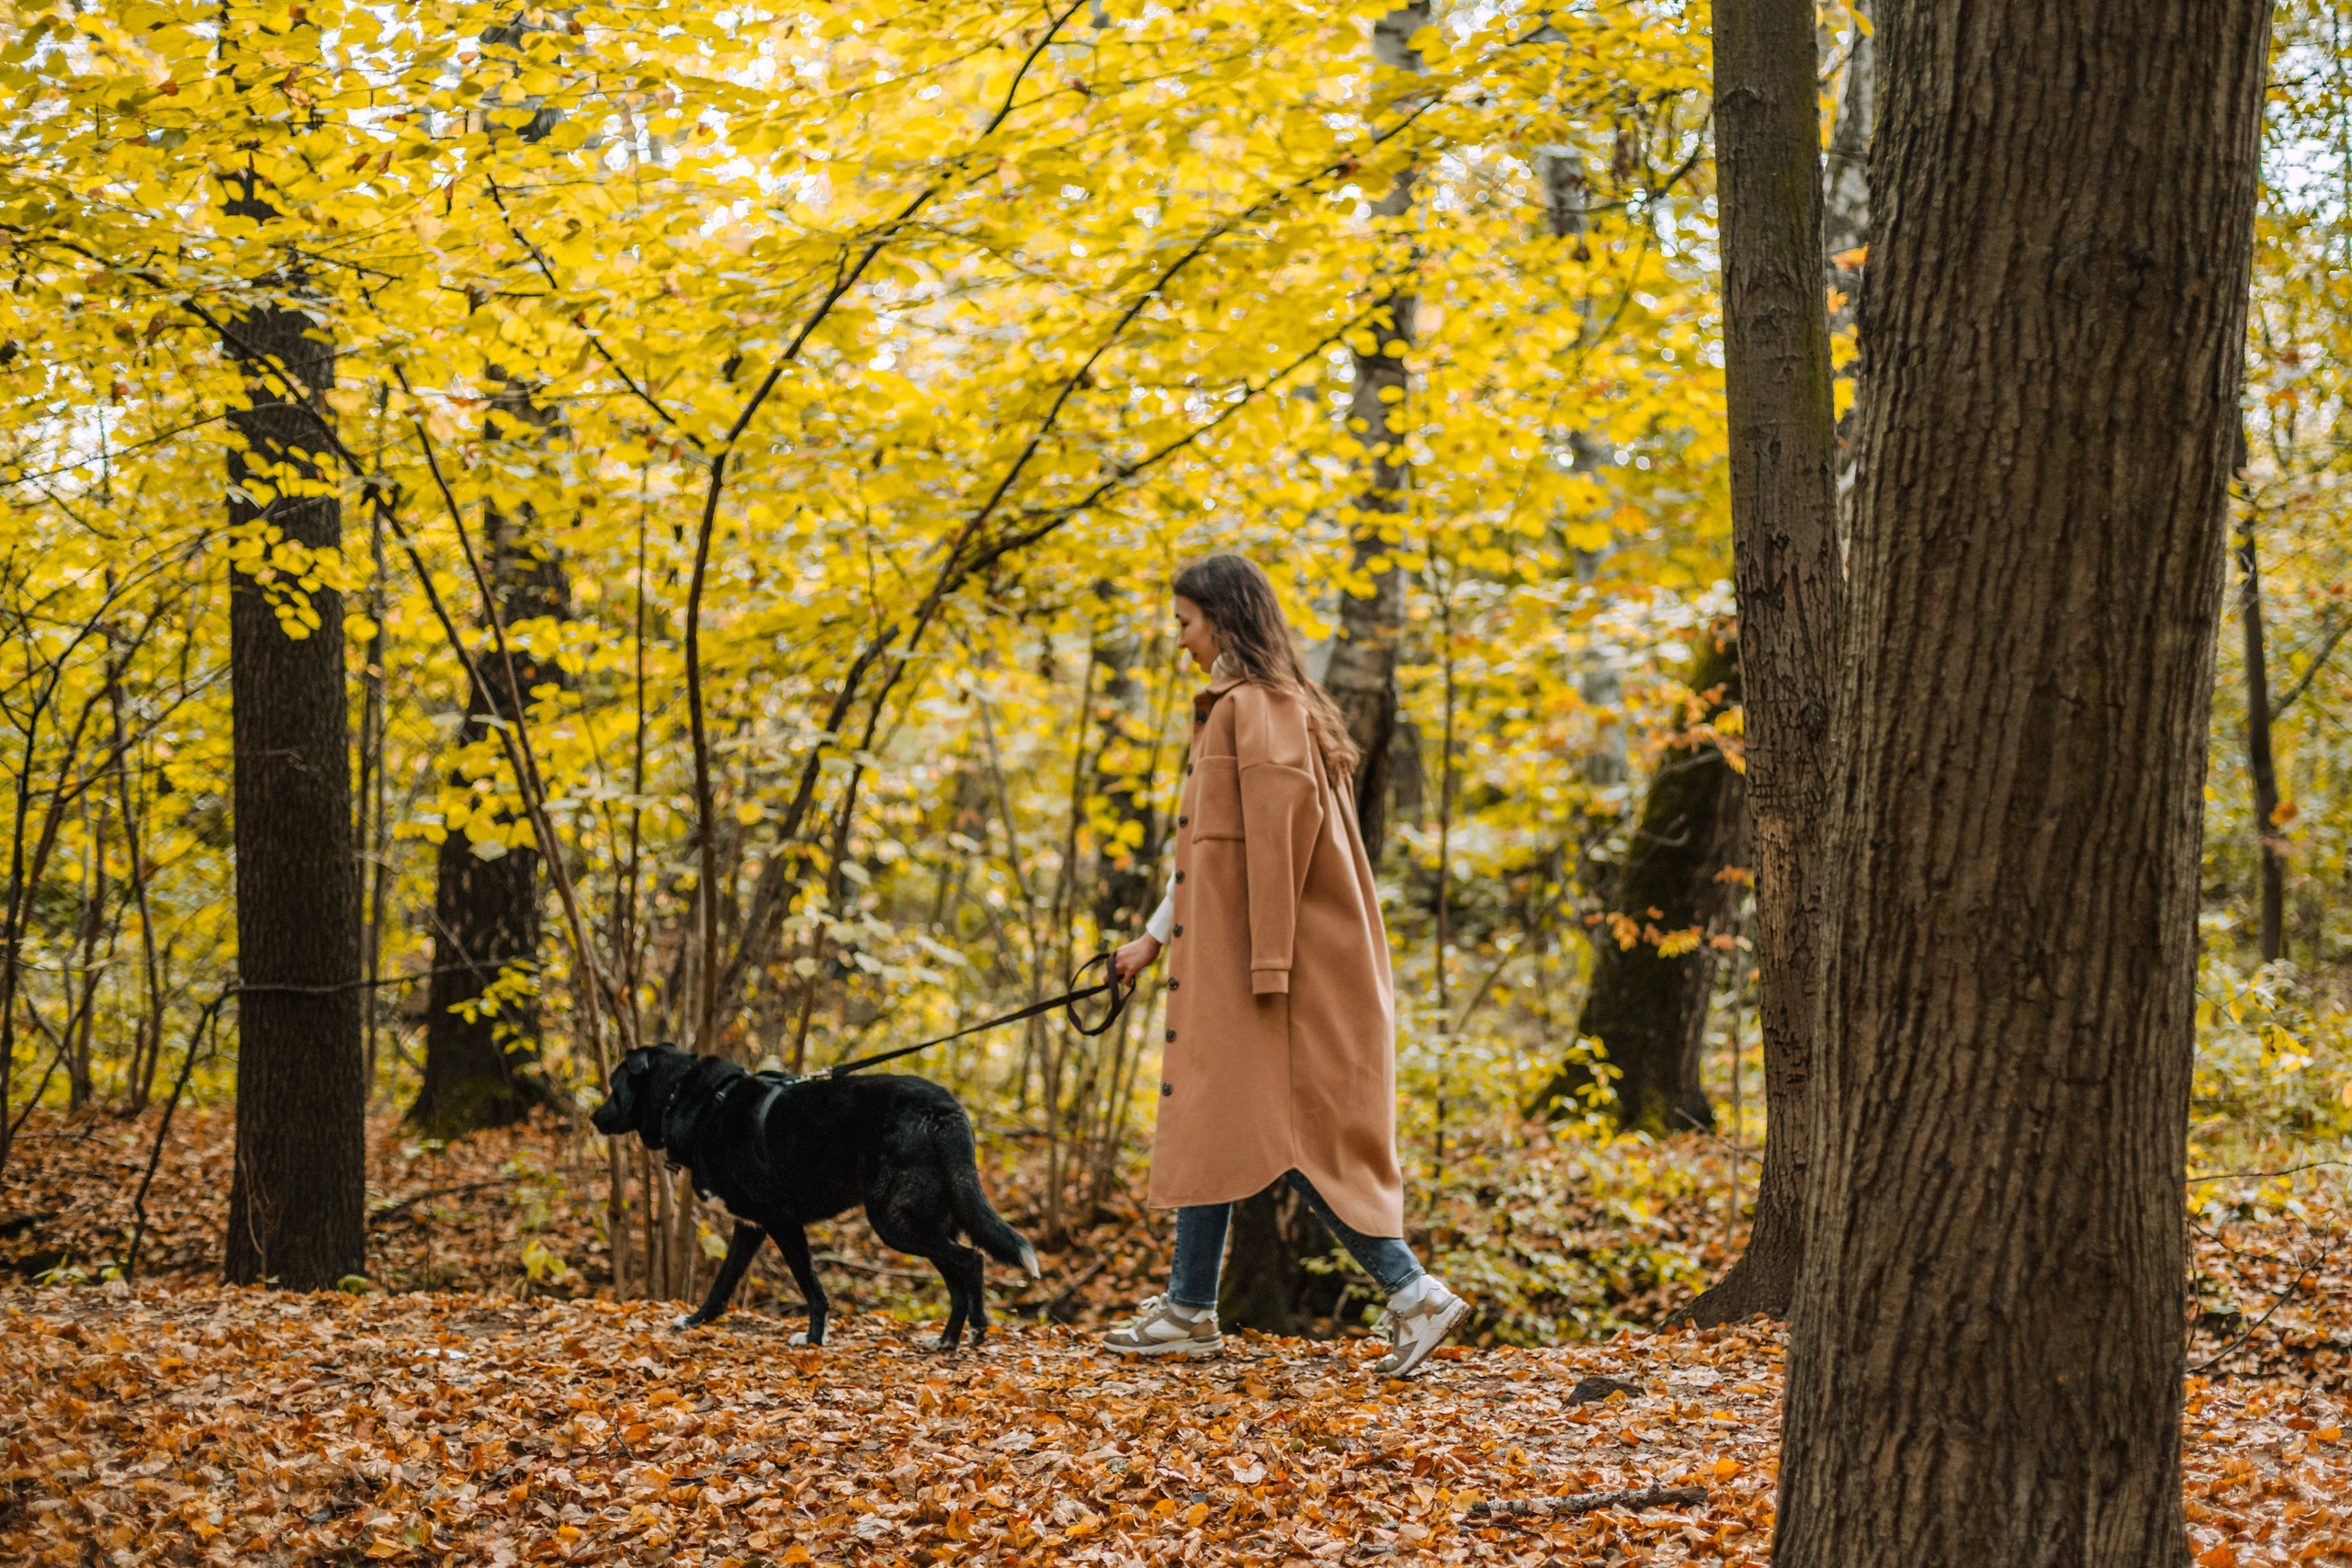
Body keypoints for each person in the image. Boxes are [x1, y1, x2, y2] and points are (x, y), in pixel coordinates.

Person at [1099, 553, 1470, 1378]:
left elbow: (1276, 847)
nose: (1179, 639)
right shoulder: (1248, 707)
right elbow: (1208, 856)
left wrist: (1266, 969)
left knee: (1294, 1141)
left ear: (1223, 621)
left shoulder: (1259, 710)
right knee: (1214, 1114)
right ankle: (1190, 1308)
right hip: (1254, 965)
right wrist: (1155, 937)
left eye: (1185, 623)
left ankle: (1413, 1294)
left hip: (1283, 974)